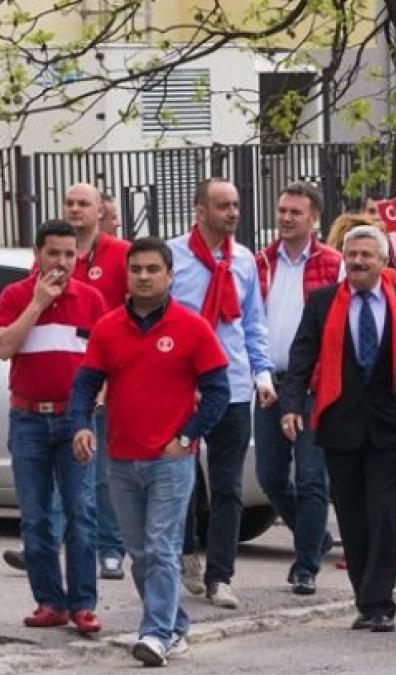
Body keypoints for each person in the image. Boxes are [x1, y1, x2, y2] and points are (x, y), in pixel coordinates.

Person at [69, 237, 230, 666]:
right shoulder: (108, 328)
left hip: (170, 459)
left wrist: (187, 436)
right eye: (136, 269)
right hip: (121, 458)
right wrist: (81, 425)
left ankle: (155, 633)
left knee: (160, 548)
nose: (143, 276)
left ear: (169, 275)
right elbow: (86, 382)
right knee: (139, 552)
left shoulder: (191, 325)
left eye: (152, 269)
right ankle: (174, 624)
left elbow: (218, 391)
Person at [280, 225, 396, 632]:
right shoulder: (324, 302)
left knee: (383, 516)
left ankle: (379, 603)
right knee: (352, 518)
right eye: (352, 255)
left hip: (389, 429)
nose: (358, 261)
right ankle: (366, 597)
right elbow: (301, 356)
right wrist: (290, 406)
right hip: (340, 426)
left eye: (366, 255)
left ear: (383, 261)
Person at [167, 178, 275, 609]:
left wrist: (263, 374)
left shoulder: (245, 261)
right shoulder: (173, 256)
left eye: (235, 204)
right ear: (200, 210)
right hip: (184, 387)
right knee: (182, 479)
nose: (232, 212)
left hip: (230, 384)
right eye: (223, 205)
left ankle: (221, 576)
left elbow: (253, 322)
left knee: (228, 486)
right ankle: (187, 550)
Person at [0, 220, 107, 634]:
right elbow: (6, 346)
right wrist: (38, 303)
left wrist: (92, 411)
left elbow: (105, 363)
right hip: (28, 419)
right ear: (37, 254)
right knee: (36, 516)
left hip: (74, 420)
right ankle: (49, 602)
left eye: (69, 254)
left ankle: (82, 604)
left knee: (82, 510)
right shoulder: (14, 296)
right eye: (53, 254)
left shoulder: (93, 300)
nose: (62, 263)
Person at [253, 182, 343, 595]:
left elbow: (337, 330)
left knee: (311, 477)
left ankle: (306, 564)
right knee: (270, 475)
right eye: (282, 210)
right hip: (270, 382)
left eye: (296, 212)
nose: (286, 218)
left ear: (315, 219)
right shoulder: (260, 263)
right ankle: (315, 536)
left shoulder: (334, 264)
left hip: (313, 384)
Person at [67, 183, 133, 581]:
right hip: (67, 376)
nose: (75, 210)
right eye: (70, 203)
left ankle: (112, 549)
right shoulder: (57, 253)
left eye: (83, 204)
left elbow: (135, 307)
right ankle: (55, 541)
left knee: (104, 469)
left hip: (109, 376)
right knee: (67, 468)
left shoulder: (120, 255)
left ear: (100, 210)